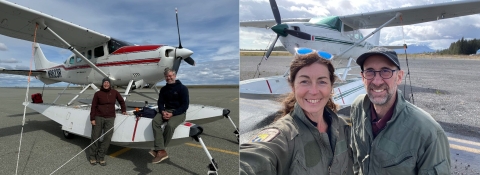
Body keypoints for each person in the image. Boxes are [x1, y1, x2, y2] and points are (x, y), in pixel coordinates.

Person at [240, 48, 353, 175]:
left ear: (331, 86)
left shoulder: (343, 127)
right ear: (293, 86)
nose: (314, 91)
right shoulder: (284, 135)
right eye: (304, 81)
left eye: (322, 81)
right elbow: (252, 159)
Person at [350, 47, 451, 174]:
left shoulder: (428, 132)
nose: (376, 81)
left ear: (399, 77)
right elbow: (355, 156)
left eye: (385, 71)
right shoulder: (358, 107)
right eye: (370, 72)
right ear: (363, 77)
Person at [150, 68, 189, 164]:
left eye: (170, 76)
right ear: (165, 77)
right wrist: (162, 111)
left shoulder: (183, 88)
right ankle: (161, 151)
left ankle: (159, 150)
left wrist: (173, 113)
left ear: (174, 76)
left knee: (170, 125)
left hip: (179, 113)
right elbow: (160, 102)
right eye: (167, 76)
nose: (169, 78)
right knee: (155, 122)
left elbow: (185, 105)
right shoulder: (164, 89)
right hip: (166, 110)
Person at [89, 77, 126, 166]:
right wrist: (92, 118)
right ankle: (92, 157)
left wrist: (123, 110)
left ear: (110, 84)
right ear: (102, 84)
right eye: (104, 82)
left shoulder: (114, 92)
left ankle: (101, 157)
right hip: (99, 117)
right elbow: (93, 106)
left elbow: (121, 101)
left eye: (107, 82)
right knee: (95, 136)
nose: (106, 84)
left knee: (107, 138)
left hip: (110, 118)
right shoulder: (98, 94)